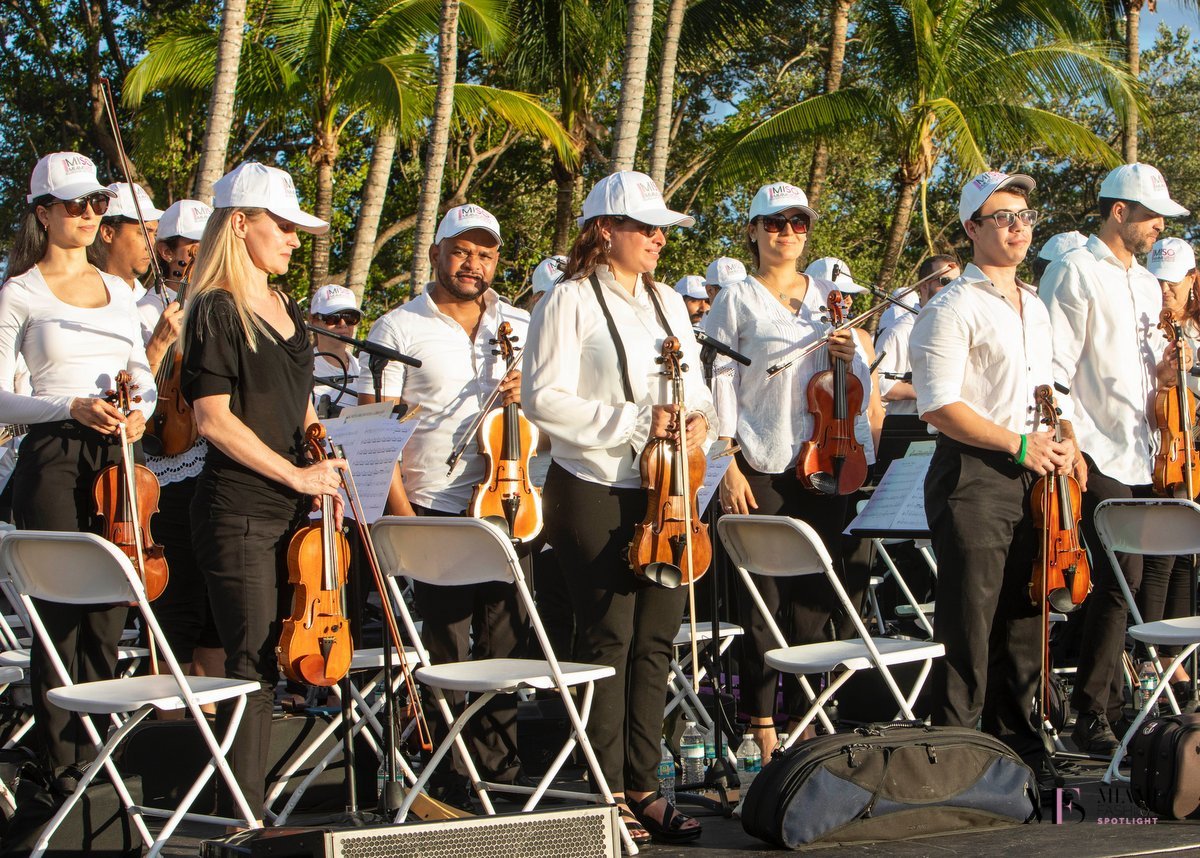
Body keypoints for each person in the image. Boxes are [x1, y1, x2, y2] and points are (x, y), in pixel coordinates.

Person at [523, 170, 714, 845]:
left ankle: (646, 784)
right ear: (606, 230)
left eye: (661, 228)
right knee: (612, 635)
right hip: (592, 484)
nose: (659, 237)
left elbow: (701, 392)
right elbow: (542, 400)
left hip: (665, 489)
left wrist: (699, 423)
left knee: (658, 638)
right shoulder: (567, 301)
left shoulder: (666, 303)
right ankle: (608, 793)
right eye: (645, 226)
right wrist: (637, 422)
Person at [181, 161, 343, 820]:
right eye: (283, 225)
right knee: (251, 661)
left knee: (280, 654)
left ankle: (254, 805)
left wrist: (323, 450)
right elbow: (212, 418)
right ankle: (241, 817)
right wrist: (295, 475)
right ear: (240, 223)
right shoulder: (215, 307)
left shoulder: (287, 308)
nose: (294, 239)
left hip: (291, 508)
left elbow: (298, 403)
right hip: (237, 511)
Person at [357, 203, 531, 802]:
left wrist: (524, 394)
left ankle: (499, 774)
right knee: (447, 642)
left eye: (485, 254)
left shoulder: (519, 327)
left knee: (506, 641)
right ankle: (451, 775)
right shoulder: (398, 328)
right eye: (461, 251)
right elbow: (379, 424)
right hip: (430, 501)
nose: (472, 264)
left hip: (508, 501)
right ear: (435, 253)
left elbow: (547, 417)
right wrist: (402, 513)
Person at [910, 170, 1082, 772]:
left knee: (1025, 618)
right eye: (1002, 217)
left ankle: (1020, 752)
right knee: (971, 623)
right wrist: (1017, 445)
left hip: (1036, 471)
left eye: (1024, 216)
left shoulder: (1034, 305)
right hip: (976, 474)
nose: (1016, 227)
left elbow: (1051, 388)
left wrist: (1069, 443)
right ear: (971, 229)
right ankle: (957, 758)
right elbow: (938, 403)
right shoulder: (951, 306)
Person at [0, 152, 155, 786]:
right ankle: (60, 766)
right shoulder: (20, 292)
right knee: (61, 611)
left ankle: (102, 759)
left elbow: (140, 372)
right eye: (74, 205)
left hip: (119, 450)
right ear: (43, 212)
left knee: (109, 610)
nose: (90, 214)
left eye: (97, 203)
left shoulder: (121, 291)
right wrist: (68, 405)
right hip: (56, 450)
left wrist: (139, 409)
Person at [704, 181, 873, 760]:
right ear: (752, 230)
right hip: (764, 460)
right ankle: (761, 721)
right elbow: (720, 382)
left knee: (816, 596)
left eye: (798, 222)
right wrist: (725, 460)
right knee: (765, 598)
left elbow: (854, 385)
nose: (788, 233)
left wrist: (851, 358)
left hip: (828, 458)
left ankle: (809, 714)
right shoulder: (737, 298)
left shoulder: (831, 296)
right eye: (774, 223)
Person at [1041, 163, 1190, 755]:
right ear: (1118, 212)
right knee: (1118, 580)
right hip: (1094, 447)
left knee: (1123, 583)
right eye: (1150, 214)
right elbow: (1053, 364)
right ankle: (1091, 711)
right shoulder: (1075, 270)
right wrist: (1069, 437)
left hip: (1142, 447)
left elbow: (1153, 365)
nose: (1158, 226)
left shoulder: (1149, 284)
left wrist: (1173, 371)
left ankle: (1106, 705)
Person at [137, 197, 224, 688]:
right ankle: (170, 720)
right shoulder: (142, 306)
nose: (188, 259)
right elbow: (133, 390)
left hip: (214, 461)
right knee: (179, 602)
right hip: (166, 466)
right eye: (181, 249)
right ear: (163, 251)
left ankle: (209, 716)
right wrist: (160, 341)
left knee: (214, 608)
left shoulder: (217, 304)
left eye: (199, 249)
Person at [1141, 236, 1200, 696]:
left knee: (1188, 558)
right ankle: (1155, 657)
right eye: (1158, 282)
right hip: (1164, 454)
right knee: (1163, 558)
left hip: (1191, 452)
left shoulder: (1192, 330)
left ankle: (1182, 656)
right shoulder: (1150, 328)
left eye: (1173, 283)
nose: (1164, 292)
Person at [875, 255, 959, 418]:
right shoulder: (900, 331)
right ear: (924, 286)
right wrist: (929, 391)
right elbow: (876, 383)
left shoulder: (955, 330)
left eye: (958, 283)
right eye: (945, 282)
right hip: (905, 432)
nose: (954, 289)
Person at [308, 284, 362, 416]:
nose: (343, 324)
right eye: (333, 318)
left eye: (350, 317)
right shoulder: (302, 368)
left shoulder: (363, 369)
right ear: (313, 320)